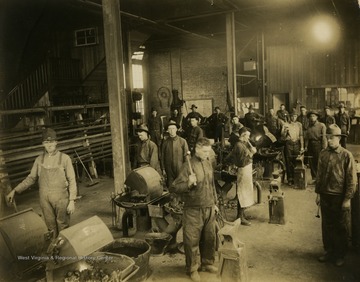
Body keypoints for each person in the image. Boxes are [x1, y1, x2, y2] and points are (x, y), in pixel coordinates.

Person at [6, 128, 77, 238]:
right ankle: (54, 252)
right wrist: (15, 190)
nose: (49, 145)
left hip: (61, 198)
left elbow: (72, 180)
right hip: (44, 199)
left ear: (56, 142)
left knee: (63, 225)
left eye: (52, 141)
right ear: (43, 144)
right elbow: (31, 178)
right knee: (50, 226)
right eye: (46, 142)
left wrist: (72, 200)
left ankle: (64, 252)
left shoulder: (65, 158)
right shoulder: (39, 160)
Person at [170, 137, 218, 282]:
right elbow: (174, 187)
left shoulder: (208, 162)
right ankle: (191, 269)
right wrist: (188, 184)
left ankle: (207, 263)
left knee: (209, 238)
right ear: (196, 150)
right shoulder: (188, 165)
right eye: (204, 151)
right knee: (191, 241)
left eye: (208, 151)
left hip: (209, 206)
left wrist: (215, 203)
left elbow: (212, 184)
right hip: (193, 209)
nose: (207, 154)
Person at [315, 124, 357, 267]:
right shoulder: (323, 153)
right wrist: (317, 193)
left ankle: (340, 254)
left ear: (338, 138)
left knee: (341, 226)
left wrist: (347, 199)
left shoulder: (346, 155)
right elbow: (319, 175)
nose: (329, 140)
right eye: (327, 138)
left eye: (331, 138)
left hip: (339, 196)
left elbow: (352, 180)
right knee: (327, 225)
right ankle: (329, 251)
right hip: (325, 194)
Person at [224, 127, 257, 226]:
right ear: (242, 135)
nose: (248, 137)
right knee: (242, 193)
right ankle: (240, 217)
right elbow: (241, 162)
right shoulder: (239, 145)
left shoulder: (243, 144)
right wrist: (251, 153)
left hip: (247, 170)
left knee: (245, 193)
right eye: (247, 135)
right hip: (243, 170)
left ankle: (242, 215)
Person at [161, 120, 189, 187]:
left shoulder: (182, 141)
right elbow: (162, 156)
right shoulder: (165, 142)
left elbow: (186, 156)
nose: (171, 130)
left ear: (176, 129)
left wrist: (186, 169)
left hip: (180, 168)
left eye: (173, 128)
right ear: (167, 130)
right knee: (171, 187)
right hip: (169, 170)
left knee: (181, 186)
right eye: (169, 129)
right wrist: (163, 169)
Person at [281, 111, 304, 185]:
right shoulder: (286, 124)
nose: (293, 118)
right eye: (292, 116)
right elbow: (282, 136)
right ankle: (290, 179)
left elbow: (301, 136)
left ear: (296, 116)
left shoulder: (299, 125)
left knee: (296, 161)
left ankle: (296, 178)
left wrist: (302, 146)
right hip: (289, 144)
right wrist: (285, 131)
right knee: (289, 160)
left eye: (295, 116)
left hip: (297, 144)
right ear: (290, 117)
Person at [304, 110, 327, 181]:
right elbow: (307, 138)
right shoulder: (308, 126)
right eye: (310, 116)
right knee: (311, 162)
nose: (312, 118)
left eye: (313, 116)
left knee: (319, 162)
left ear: (317, 117)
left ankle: (320, 178)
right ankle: (314, 177)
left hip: (318, 145)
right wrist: (306, 146)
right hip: (311, 145)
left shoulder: (321, 125)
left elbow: (324, 137)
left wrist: (324, 147)